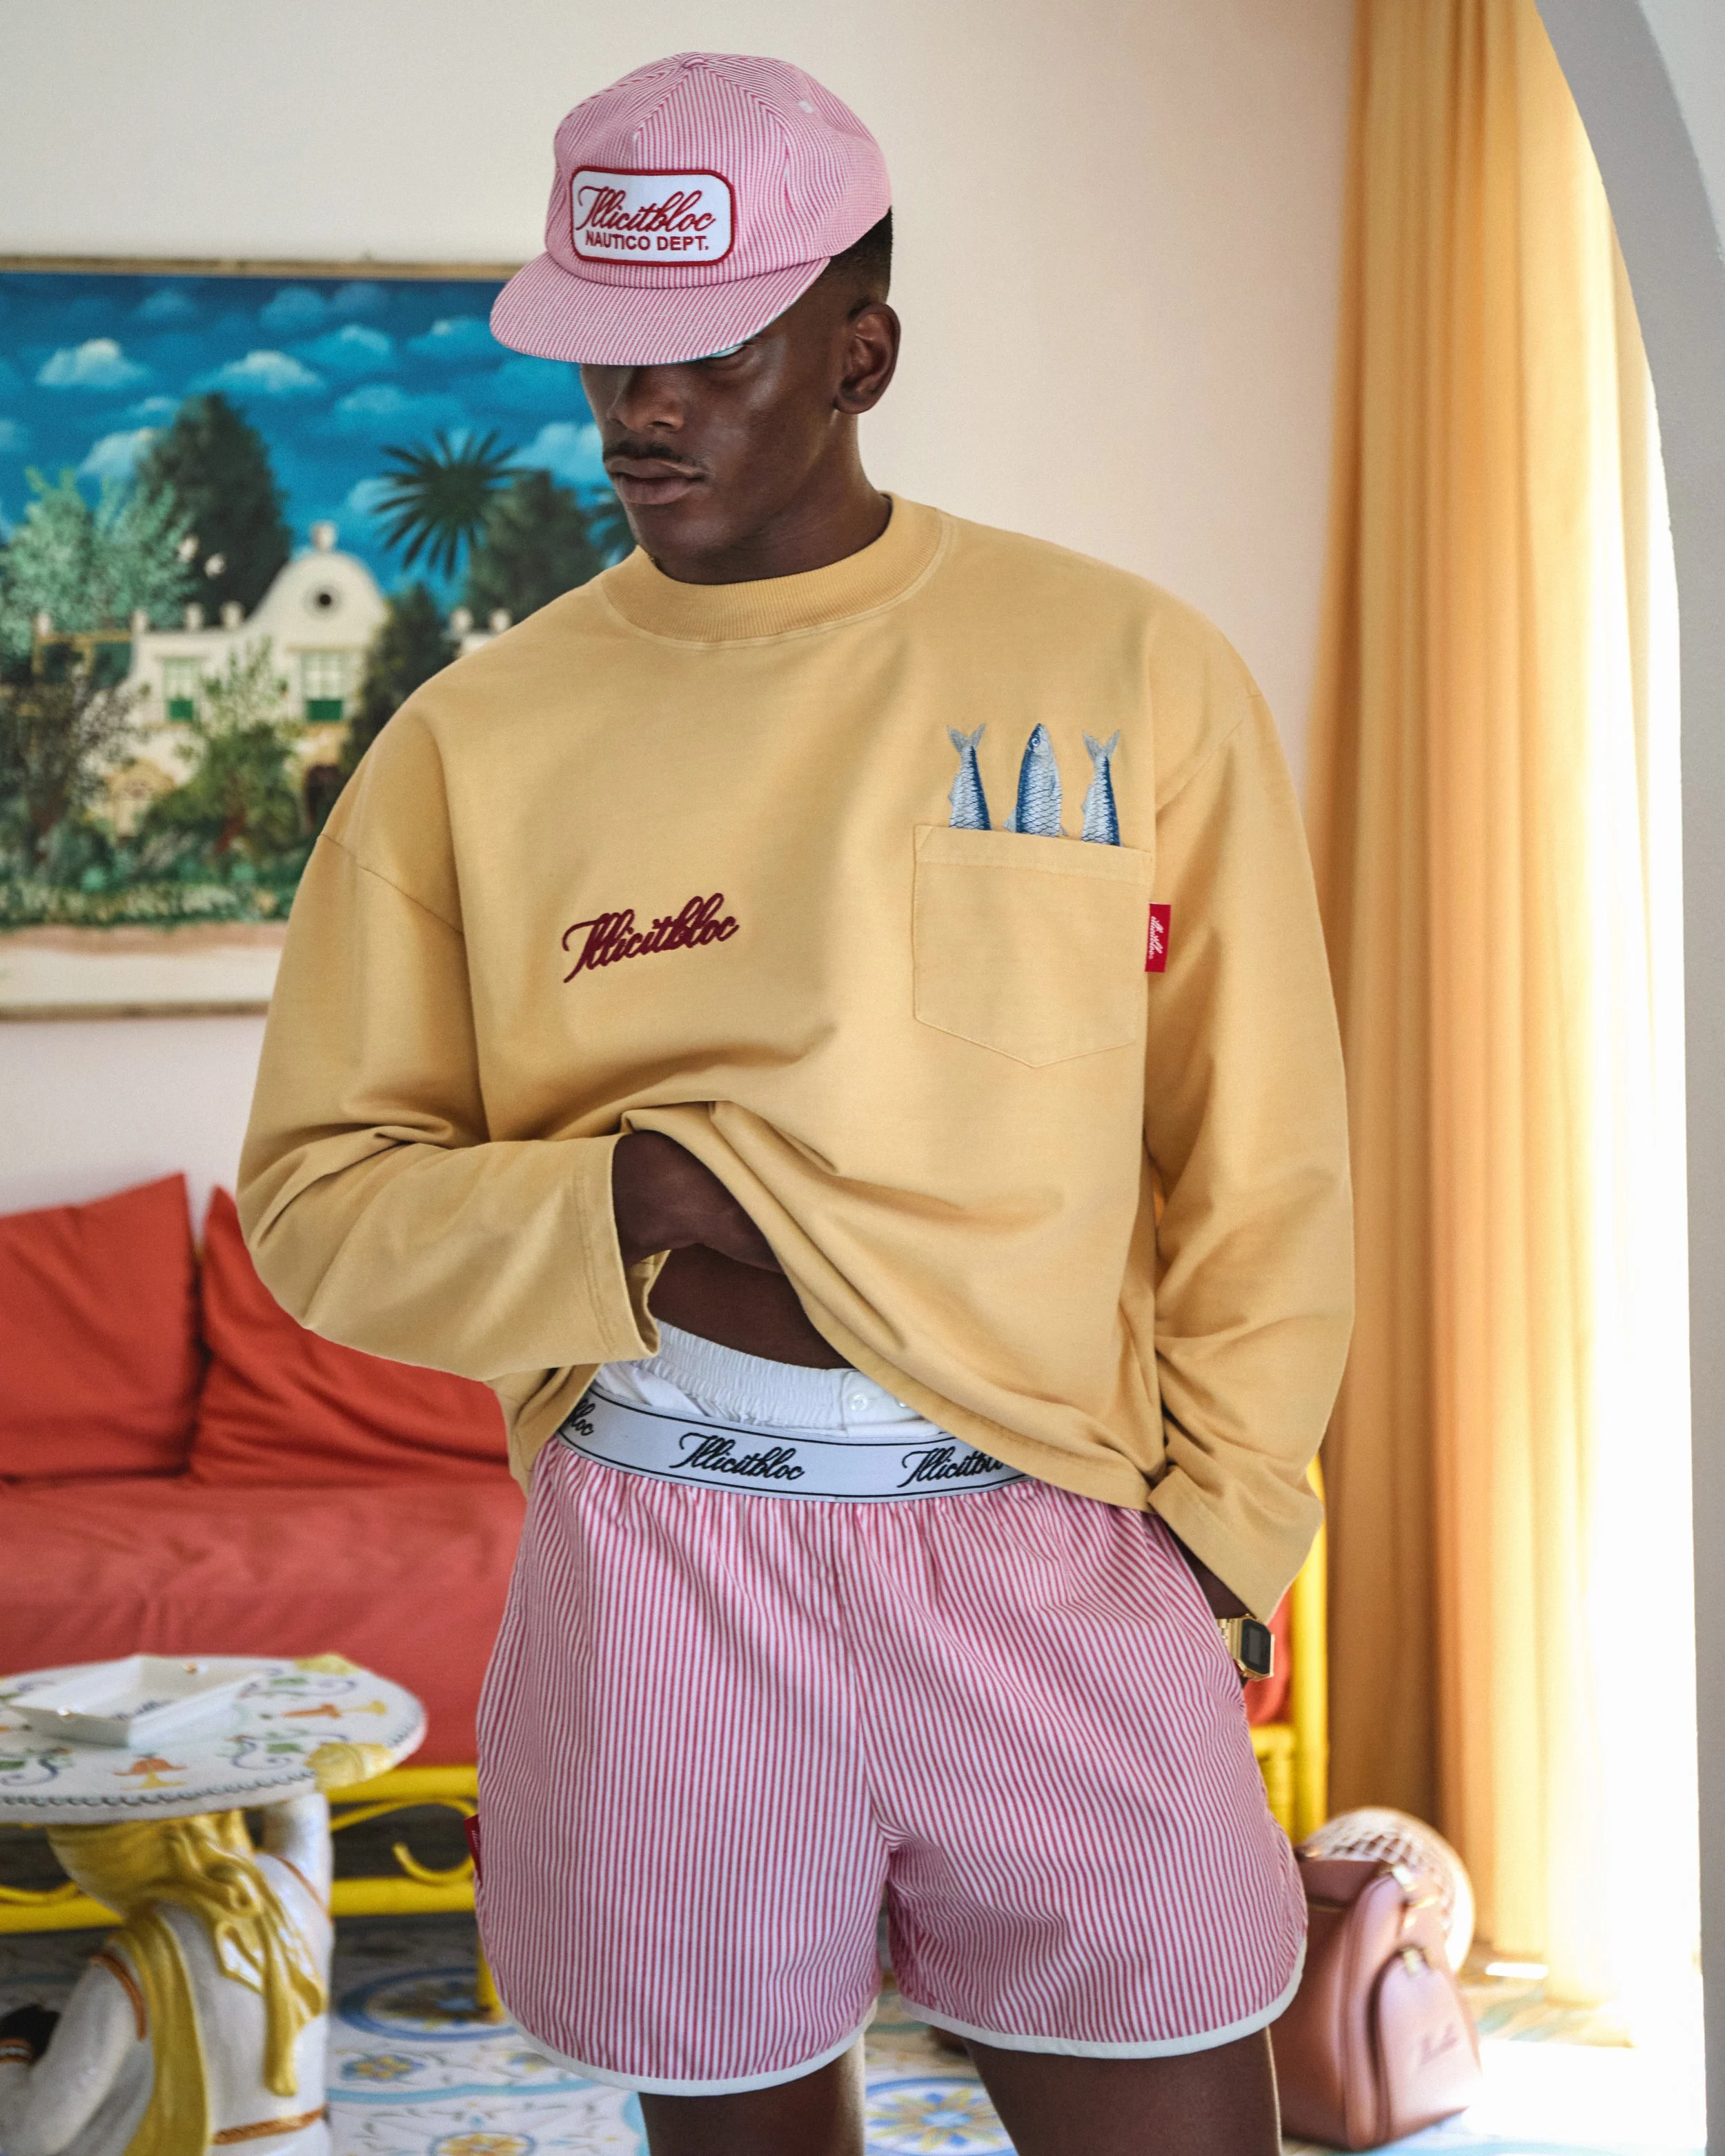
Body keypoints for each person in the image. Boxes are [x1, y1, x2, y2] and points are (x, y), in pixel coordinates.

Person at [238, 50, 1352, 2156]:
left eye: (704, 350)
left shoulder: (1123, 665)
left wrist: (1219, 1531)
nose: (639, 411)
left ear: (861, 350)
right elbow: (315, 1198)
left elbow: (1260, 1148)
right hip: (666, 1559)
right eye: (604, 356)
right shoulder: (475, 740)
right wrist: (634, 1191)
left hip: (1049, 1544)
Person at [0, 1797, 331, 2156]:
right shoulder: (296, 1888)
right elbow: (303, 1807)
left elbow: (33, 2136)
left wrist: (12, 2053)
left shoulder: (135, 1961)